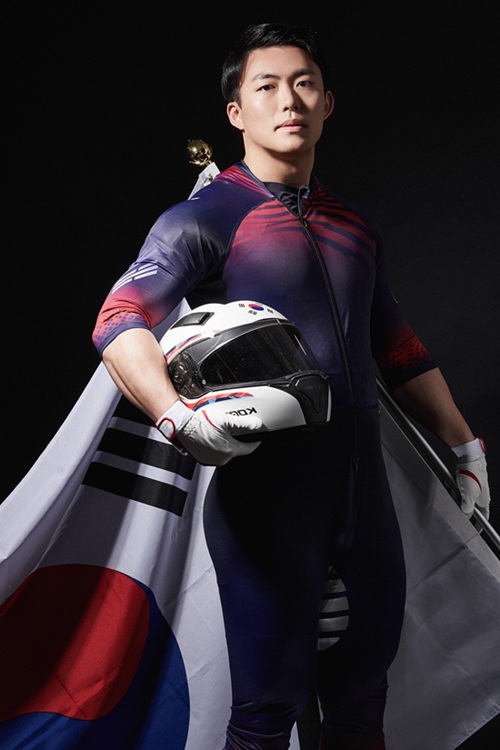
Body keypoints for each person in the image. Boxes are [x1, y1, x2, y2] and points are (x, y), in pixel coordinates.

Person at [92, 22, 491, 750]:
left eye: (305, 84)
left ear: (328, 103)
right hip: (267, 505)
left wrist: (465, 445)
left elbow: (395, 346)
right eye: (267, 86)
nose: (289, 100)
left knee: (362, 707)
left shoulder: (355, 226)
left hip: (364, 506)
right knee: (266, 714)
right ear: (236, 111)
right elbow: (118, 319)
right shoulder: (204, 218)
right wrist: (175, 416)